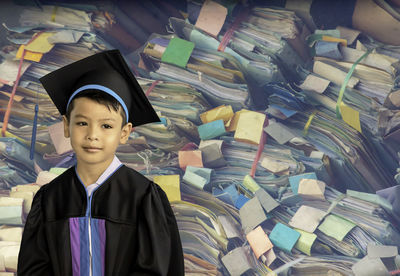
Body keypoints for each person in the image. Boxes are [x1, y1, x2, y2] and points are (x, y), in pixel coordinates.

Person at [17, 49, 185, 276]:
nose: (92, 135)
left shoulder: (143, 198)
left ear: (125, 133)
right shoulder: (50, 199)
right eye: (82, 123)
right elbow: (34, 270)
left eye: (106, 126)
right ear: (66, 126)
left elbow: (157, 270)